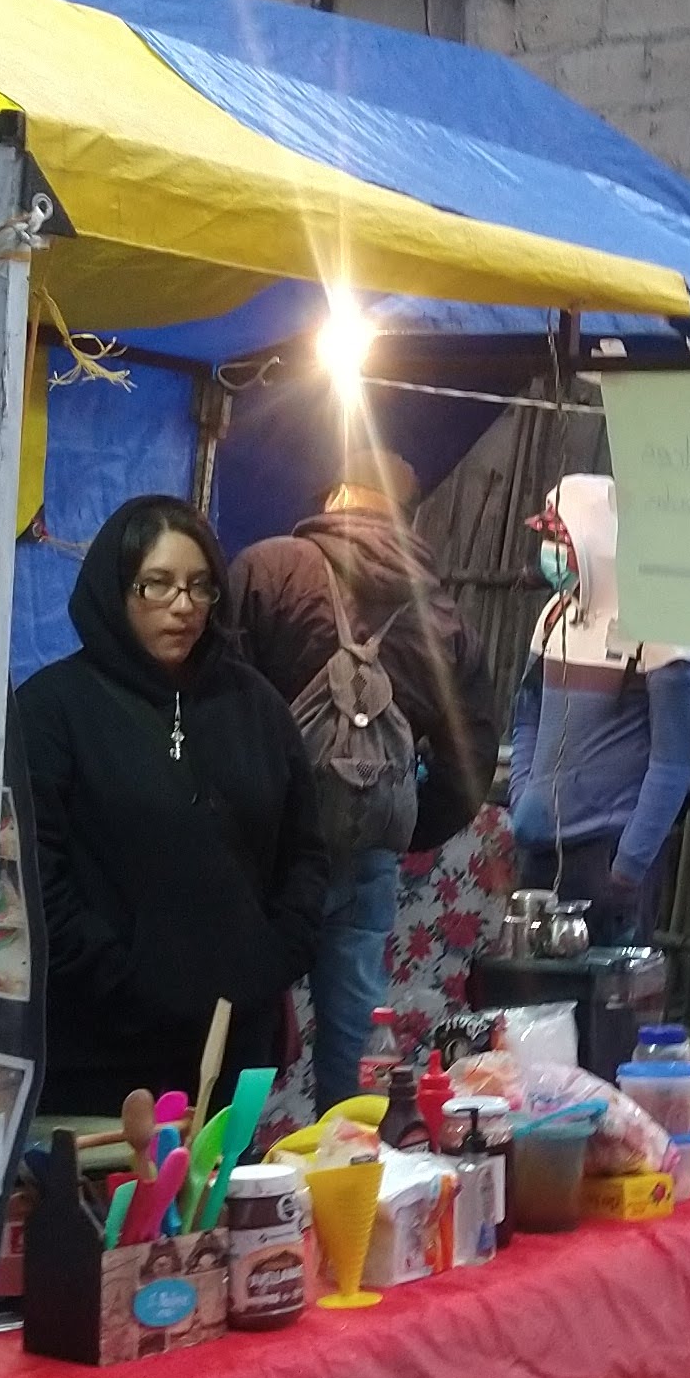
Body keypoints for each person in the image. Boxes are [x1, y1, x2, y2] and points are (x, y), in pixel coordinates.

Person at [15, 496, 329, 1117]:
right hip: (98, 1057)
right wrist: (126, 981)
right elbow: (32, 876)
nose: (183, 606)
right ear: (116, 589)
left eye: (199, 585)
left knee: (225, 1182)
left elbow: (306, 854)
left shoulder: (256, 706)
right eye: (156, 584)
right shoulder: (52, 710)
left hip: (230, 1050)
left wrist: (269, 962)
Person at [229, 446, 492, 1107]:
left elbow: (217, 710)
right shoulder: (445, 620)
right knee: (353, 1037)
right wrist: (398, 821)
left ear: (333, 496)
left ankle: (233, 1163)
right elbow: (470, 763)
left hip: (262, 854)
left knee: (239, 1021)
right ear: (409, 515)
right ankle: (347, 1158)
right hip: (367, 856)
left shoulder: (268, 570)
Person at [505, 472, 690, 941]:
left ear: (594, 541)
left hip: (607, 859)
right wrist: (523, 797)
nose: (551, 552)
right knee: (529, 988)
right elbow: (527, 715)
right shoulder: (555, 617)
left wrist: (628, 867)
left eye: (560, 539)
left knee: (604, 986)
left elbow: (674, 764)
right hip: (539, 852)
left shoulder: (662, 629)